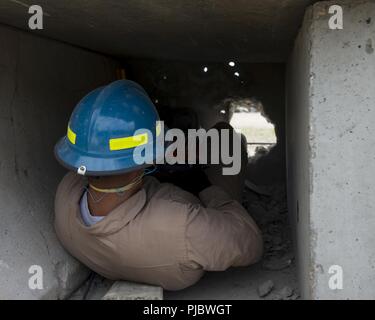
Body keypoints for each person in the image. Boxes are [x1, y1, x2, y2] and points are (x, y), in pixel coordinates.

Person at [54, 79, 263, 290]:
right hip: (197, 202)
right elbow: (251, 241)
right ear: (142, 164)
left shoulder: (65, 194)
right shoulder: (185, 227)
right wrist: (204, 186)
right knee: (226, 136)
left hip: (147, 198)